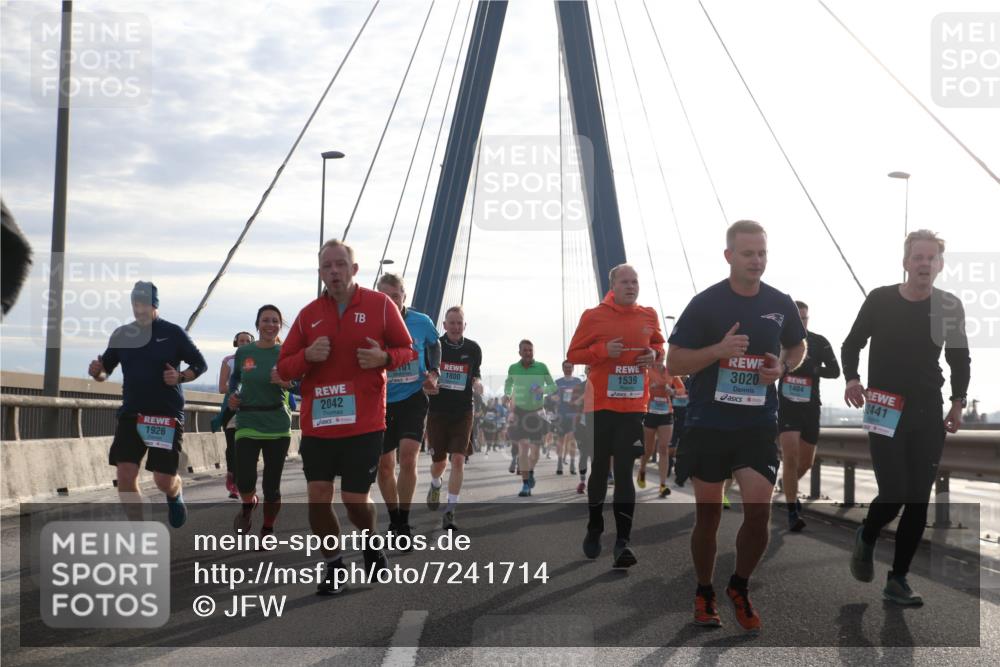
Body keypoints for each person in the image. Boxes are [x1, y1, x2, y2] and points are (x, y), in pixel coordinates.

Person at [667, 220, 806, 632]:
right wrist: (718, 350)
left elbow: (797, 345)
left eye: (762, 253)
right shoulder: (705, 304)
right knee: (708, 517)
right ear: (729, 256)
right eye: (748, 253)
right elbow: (674, 362)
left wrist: (783, 367)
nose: (757, 260)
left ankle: (739, 585)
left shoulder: (780, 302)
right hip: (708, 422)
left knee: (759, 513)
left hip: (757, 423)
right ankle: (704, 590)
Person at [277, 240, 415, 596]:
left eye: (340, 264)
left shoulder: (380, 305)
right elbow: (284, 367)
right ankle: (334, 565)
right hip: (319, 424)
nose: (334, 271)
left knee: (355, 499)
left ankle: (370, 540)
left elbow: (408, 350)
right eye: (327, 266)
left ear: (354, 269)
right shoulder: (308, 315)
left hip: (364, 423)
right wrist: (307, 356)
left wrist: (384, 358)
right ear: (320, 272)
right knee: (318, 497)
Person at [844, 230, 970, 606]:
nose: (924, 264)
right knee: (895, 491)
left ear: (940, 265)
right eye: (918, 257)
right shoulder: (880, 299)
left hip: (927, 409)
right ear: (906, 262)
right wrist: (852, 378)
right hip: (885, 407)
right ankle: (868, 533)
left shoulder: (949, 306)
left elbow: (959, 357)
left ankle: (897, 579)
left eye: (932, 258)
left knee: (917, 499)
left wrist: (958, 402)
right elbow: (852, 343)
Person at [87, 281, 208, 528]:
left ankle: (175, 492)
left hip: (165, 415)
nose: (139, 309)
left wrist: (180, 376)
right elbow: (105, 372)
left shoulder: (173, 333)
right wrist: (97, 372)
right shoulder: (122, 335)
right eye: (135, 304)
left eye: (144, 304)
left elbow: (200, 364)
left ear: (155, 305)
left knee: (163, 480)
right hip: (132, 413)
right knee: (125, 475)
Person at [567, 264, 665, 568]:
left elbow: (659, 346)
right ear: (612, 285)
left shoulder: (648, 315)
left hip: (633, 407)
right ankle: (595, 526)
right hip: (600, 407)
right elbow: (573, 354)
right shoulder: (593, 316)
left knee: (624, 471)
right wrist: (601, 350)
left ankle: (623, 542)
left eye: (635, 281)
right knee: (599, 469)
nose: (631, 286)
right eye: (625, 282)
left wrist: (654, 355)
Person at [375, 273, 441, 545]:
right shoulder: (370, 322)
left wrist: (434, 372)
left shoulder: (421, 321)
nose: (391, 301)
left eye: (396, 296)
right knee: (384, 467)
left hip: (413, 397)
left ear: (404, 296)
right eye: (385, 296)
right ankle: (394, 518)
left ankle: (403, 520)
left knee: (408, 457)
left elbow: (434, 345)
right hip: (379, 400)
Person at [229, 306, 293, 538]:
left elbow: (302, 383)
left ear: (280, 326)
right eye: (265, 320)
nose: (270, 325)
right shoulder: (244, 352)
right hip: (247, 420)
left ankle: (267, 529)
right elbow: (236, 379)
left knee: (271, 487)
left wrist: (287, 383)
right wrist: (233, 395)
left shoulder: (287, 352)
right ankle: (249, 504)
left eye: (275, 321)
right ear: (257, 324)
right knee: (244, 481)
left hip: (277, 424)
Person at [778, 300, 840, 531]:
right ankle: (792, 511)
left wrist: (813, 368)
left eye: (804, 318)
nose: (801, 322)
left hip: (810, 407)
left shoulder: (819, 341)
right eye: (797, 318)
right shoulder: (779, 341)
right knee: (790, 458)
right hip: (787, 407)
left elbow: (835, 371)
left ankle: (787, 484)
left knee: (805, 463)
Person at [424, 306, 483, 530]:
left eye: (460, 323)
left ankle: (450, 511)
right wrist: (428, 386)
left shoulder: (473, 348)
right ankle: (435, 483)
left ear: (464, 325)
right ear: (444, 325)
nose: (456, 327)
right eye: (452, 323)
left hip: (463, 411)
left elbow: (476, 373)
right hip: (437, 411)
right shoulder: (434, 346)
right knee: (439, 462)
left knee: (458, 459)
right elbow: (426, 374)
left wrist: (477, 383)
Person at [504, 340, 557, 497]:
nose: (528, 353)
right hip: (520, 413)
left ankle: (530, 471)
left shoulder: (542, 367)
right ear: (519, 352)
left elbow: (553, 386)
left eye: (530, 350)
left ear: (533, 351)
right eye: (525, 350)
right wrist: (507, 394)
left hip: (537, 413)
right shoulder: (513, 368)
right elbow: (508, 384)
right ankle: (525, 484)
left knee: (535, 454)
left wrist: (542, 389)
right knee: (523, 448)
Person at [217, 331, 255, 499]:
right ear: (236, 343)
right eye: (241, 341)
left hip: (253, 409)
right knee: (232, 446)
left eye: (247, 341)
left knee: (248, 448)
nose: (244, 343)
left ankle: (243, 482)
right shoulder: (229, 360)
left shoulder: (258, 360)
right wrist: (239, 390)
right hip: (232, 408)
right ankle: (232, 478)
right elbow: (222, 387)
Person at [637, 360, 677, 499]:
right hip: (650, 413)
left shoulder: (670, 371)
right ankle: (642, 469)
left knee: (664, 448)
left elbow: (681, 389)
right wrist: (649, 387)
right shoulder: (647, 371)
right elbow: (639, 386)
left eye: (662, 356)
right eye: (658, 356)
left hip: (666, 413)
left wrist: (672, 391)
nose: (660, 359)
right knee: (648, 450)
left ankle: (662, 485)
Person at [555, 361, 584, 475]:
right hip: (561, 415)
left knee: (572, 440)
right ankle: (559, 463)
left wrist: (577, 401)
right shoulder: (558, 382)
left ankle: (572, 464)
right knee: (560, 440)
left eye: (570, 367)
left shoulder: (578, 381)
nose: (568, 369)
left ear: (573, 368)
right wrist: (555, 399)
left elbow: (583, 395)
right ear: (562, 368)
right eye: (566, 367)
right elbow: (553, 396)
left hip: (573, 415)